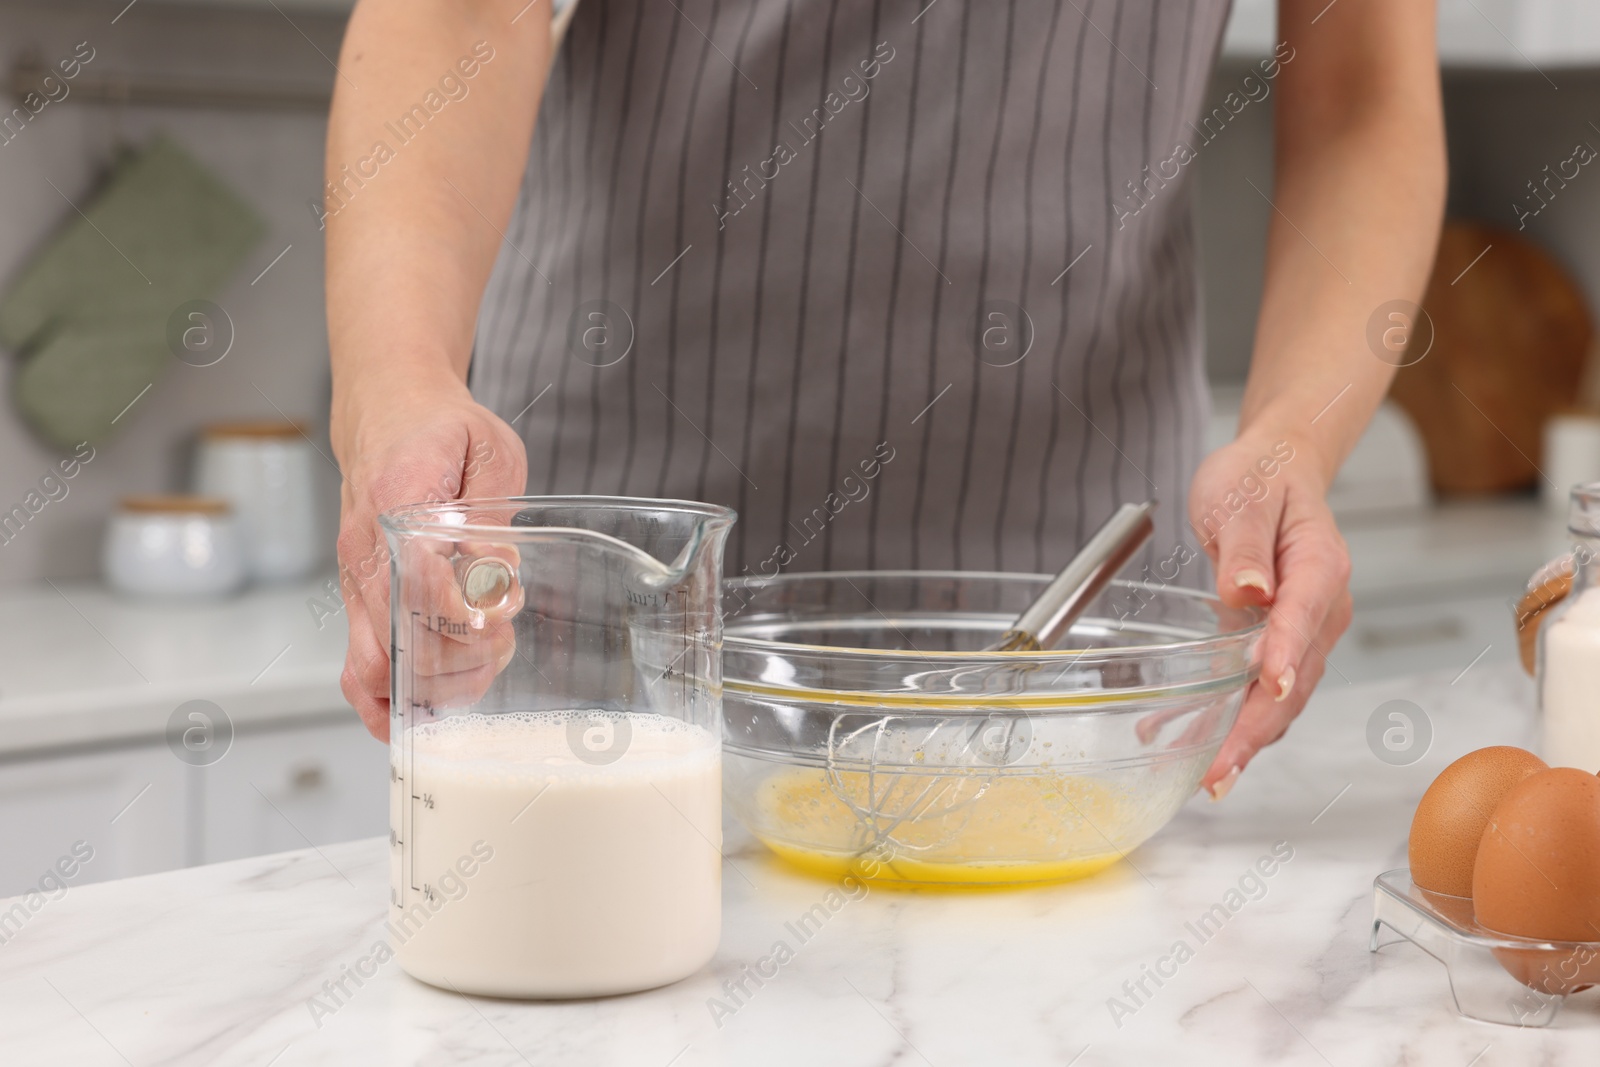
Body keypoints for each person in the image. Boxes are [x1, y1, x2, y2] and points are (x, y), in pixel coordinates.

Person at [326, 0, 1445, 799]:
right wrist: (396, 384)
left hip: (1076, 608)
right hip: (614, 565)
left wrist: (1291, 434)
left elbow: (1361, 87)